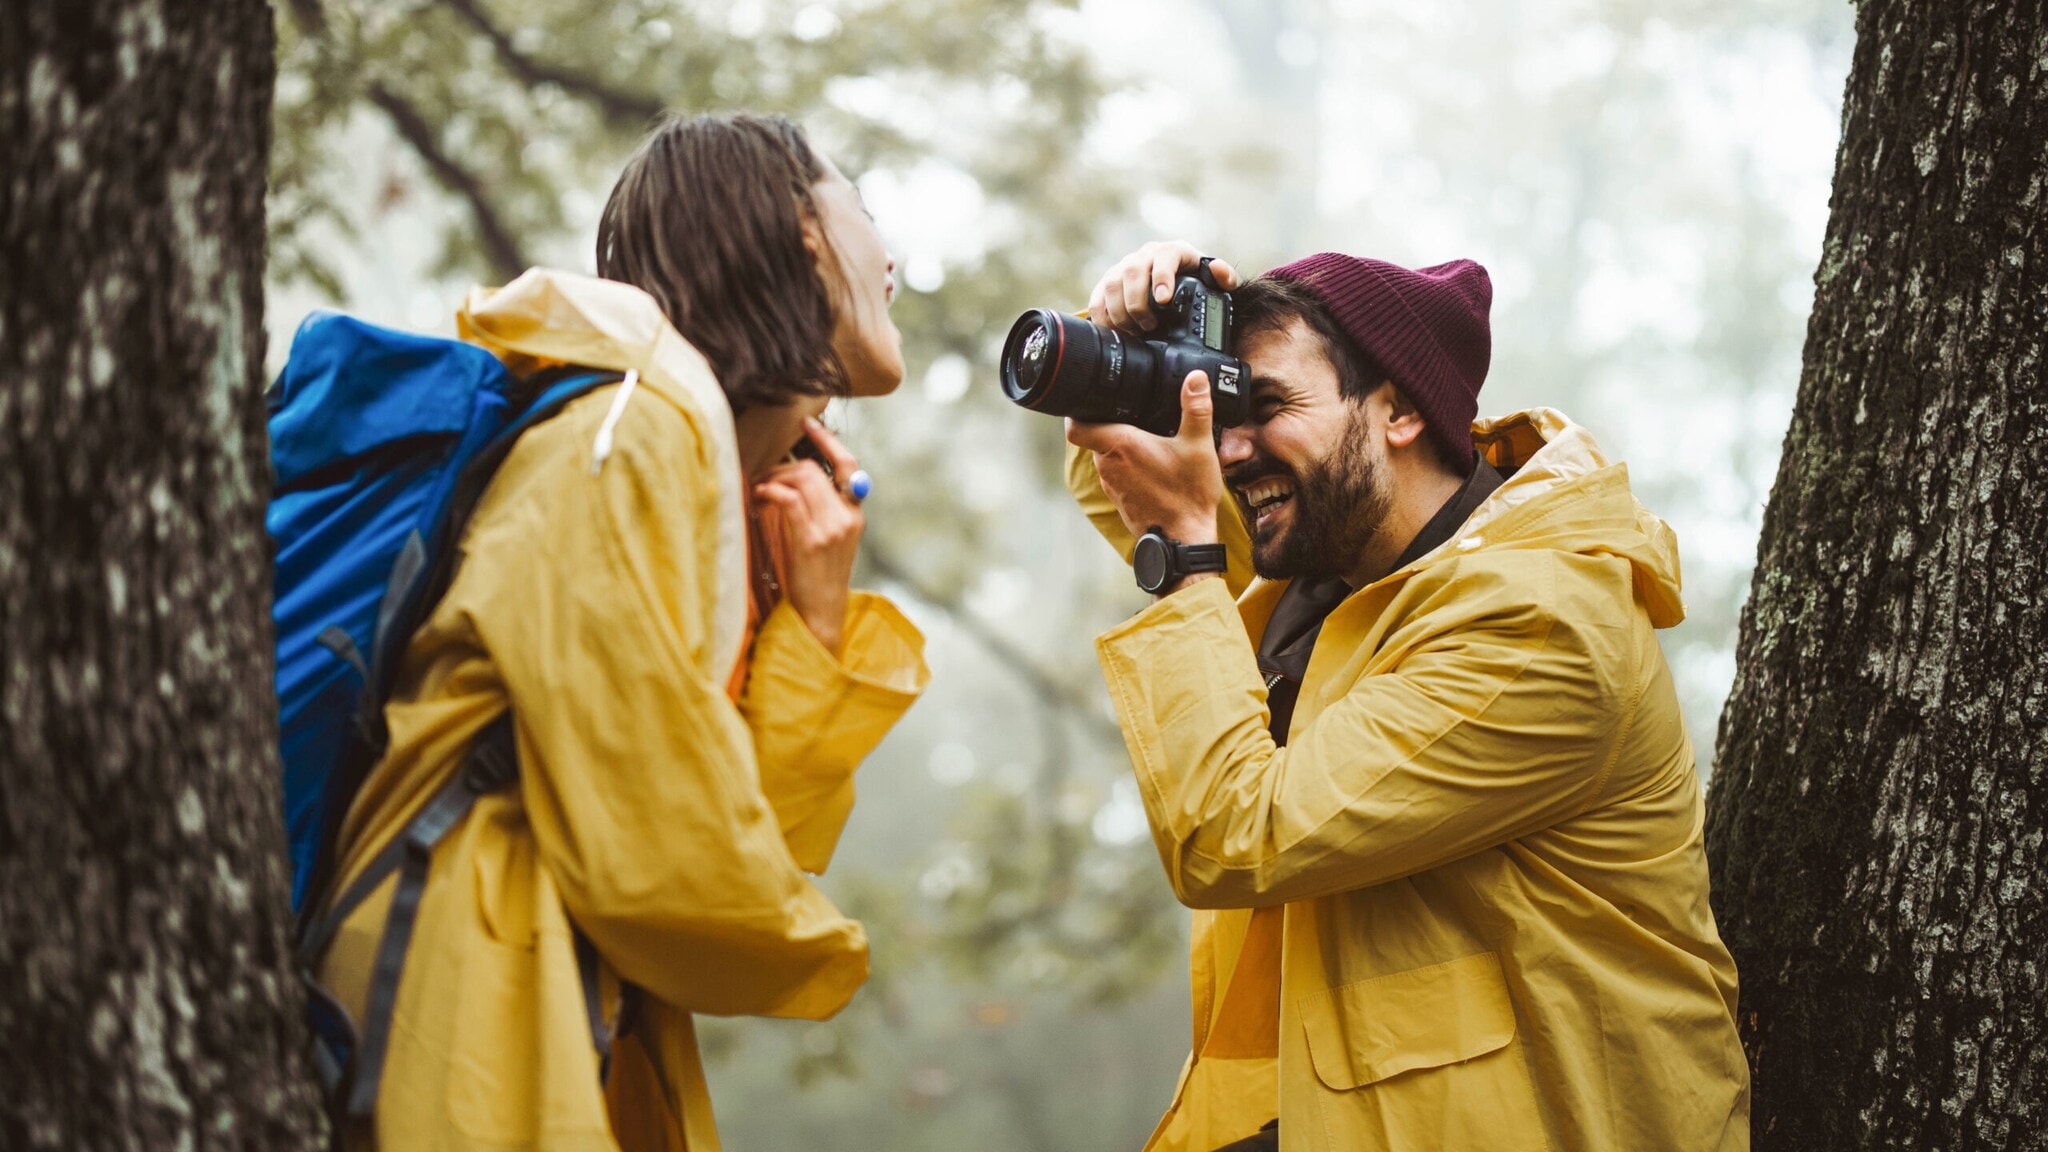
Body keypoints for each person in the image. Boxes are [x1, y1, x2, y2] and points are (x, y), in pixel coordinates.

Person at [312, 113, 929, 1151]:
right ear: (804, 235)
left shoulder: (704, 475)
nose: (893, 256)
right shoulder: (625, 432)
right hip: (457, 1001)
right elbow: (658, 864)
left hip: (562, 1013)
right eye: (863, 210)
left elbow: (736, 825)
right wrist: (833, 958)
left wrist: (812, 630)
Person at [1063, 240, 1749, 1151]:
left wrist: (1188, 556)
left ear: (1398, 412)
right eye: (1222, 409)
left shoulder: (1539, 623)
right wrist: (1131, 337)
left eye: (1264, 406)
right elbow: (1126, 479)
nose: (1229, 451)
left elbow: (1238, 838)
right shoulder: (1334, 568)